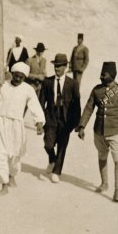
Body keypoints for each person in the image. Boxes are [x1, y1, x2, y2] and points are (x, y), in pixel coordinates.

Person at [77, 62, 118, 202]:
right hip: (99, 132)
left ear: (112, 75)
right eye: (101, 74)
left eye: (104, 74)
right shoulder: (96, 90)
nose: (101, 76)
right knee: (102, 157)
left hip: (116, 132)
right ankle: (104, 183)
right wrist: (82, 126)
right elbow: (88, 108)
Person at [0, 62, 45, 195]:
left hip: (16, 126)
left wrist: (38, 122)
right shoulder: (2, 85)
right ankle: (4, 184)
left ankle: (12, 175)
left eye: (21, 77)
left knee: (15, 155)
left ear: (25, 77)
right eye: (16, 75)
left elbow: (35, 106)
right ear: (12, 74)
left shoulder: (28, 89)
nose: (18, 79)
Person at [39, 53, 81, 183]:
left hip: (66, 120)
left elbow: (77, 105)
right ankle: (52, 159)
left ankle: (56, 171)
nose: (56, 69)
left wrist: (75, 123)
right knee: (48, 144)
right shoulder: (47, 82)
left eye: (59, 66)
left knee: (62, 146)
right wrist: (40, 120)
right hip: (50, 118)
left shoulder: (72, 84)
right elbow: (41, 102)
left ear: (65, 67)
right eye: (55, 66)